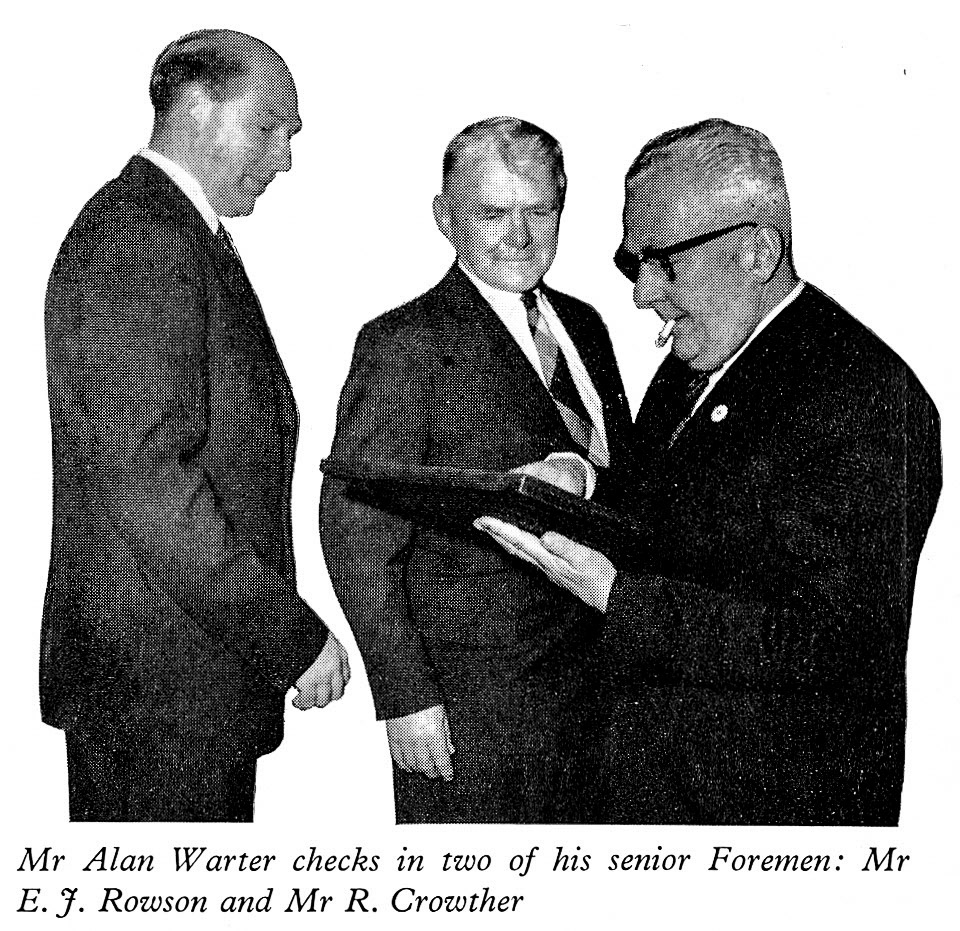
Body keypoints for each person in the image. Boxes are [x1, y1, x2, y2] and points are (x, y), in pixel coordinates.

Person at [478, 117, 942, 825]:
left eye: (663, 262)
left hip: (769, 822)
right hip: (660, 796)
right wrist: (586, 480)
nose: (641, 295)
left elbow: (830, 643)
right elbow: (673, 511)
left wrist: (615, 594)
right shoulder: (699, 357)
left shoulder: (870, 398)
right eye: (633, 263)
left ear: (756, 251)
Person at [42, 29, 350, 822]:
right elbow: (153, 483)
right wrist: (287, 634)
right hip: (161, 699)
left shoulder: (172, 231)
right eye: (269, 128)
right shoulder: (140, 237)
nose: (284, 159)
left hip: (178, 690)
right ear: (195, 107)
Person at [320, 116, 631, 823]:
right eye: (492, 213)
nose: (519, 236)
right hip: (475, 714)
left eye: (539, 211)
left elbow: (622, 488)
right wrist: (405, 696)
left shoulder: (583, 326)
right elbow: (353, 526)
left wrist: (584, 478)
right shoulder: (402, 344)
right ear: (444, 218)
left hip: (597, 694)